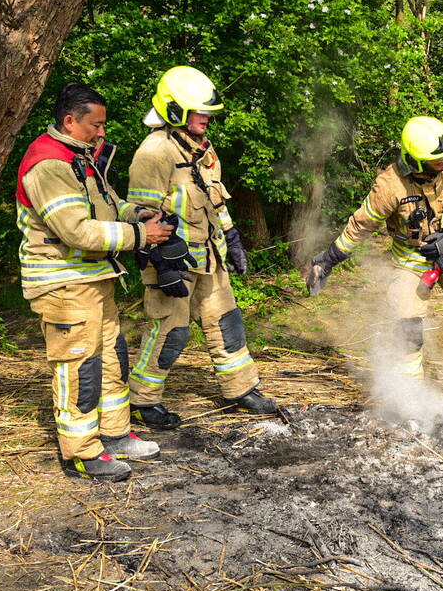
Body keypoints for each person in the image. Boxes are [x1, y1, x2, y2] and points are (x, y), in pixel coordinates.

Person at [16, 83, 169, 481]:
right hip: (64, 285)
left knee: (112, 359)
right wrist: (140, 237)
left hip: (94, 279)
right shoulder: (48, 165)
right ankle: (82, 452)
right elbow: (76, 232)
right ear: (70, 121)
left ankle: (114, 434)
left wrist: (144, 215)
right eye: (95, 125)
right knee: (79, 368)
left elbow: (112, 205)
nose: (102, 133)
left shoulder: (79, 158)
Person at [307, 116, 443, 400]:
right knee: (407, 326)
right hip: (410, 263)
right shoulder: (390, 185)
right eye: (437, 160)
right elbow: (361, 225)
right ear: (415, 161)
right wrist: (328, 259)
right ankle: (410, 393)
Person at [126, 66, 277, 429]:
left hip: (209, 258)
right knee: (170, 332)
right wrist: (160, 264)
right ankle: (141, 401)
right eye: (199, 111)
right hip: (172, 263)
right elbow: (137, 213)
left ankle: (240, 391)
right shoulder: (154, 152)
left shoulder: (203, 151)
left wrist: (234, 236)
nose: (206, 118)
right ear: (174, 109)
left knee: (227, 323)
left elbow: (215, 200)